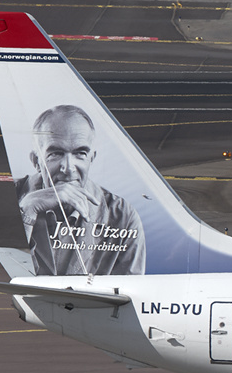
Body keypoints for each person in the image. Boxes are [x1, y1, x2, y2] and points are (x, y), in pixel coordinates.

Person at [15, 105, 145, 276]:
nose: (68, 168)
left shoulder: (122, 216)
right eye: (55, 154)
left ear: (92, 158)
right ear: (36, 161)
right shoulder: (8, 195)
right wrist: (26, 212)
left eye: (80, 153)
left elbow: (130, 290)